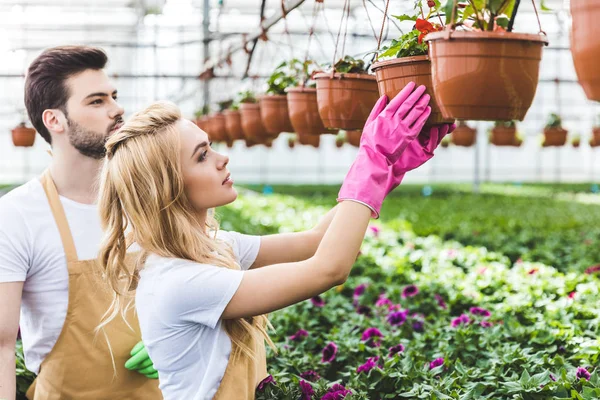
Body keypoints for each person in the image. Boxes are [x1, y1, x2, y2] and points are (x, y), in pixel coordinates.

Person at [96, 82, 453, 400]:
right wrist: (372, 159)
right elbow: (327, 268)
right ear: (168, 188)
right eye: (202, 155)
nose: (223, 159)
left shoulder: (214, 247)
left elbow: (318, 241)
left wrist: (391, 168)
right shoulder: (179, 281)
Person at [0, 46, 162, 399]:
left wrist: (177, 335)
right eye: (96, 101)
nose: (117, 109)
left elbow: (208, 286)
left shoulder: (148, 202)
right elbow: (1, 345)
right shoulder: (17, 215)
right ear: (54, 120)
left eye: (114, 97)